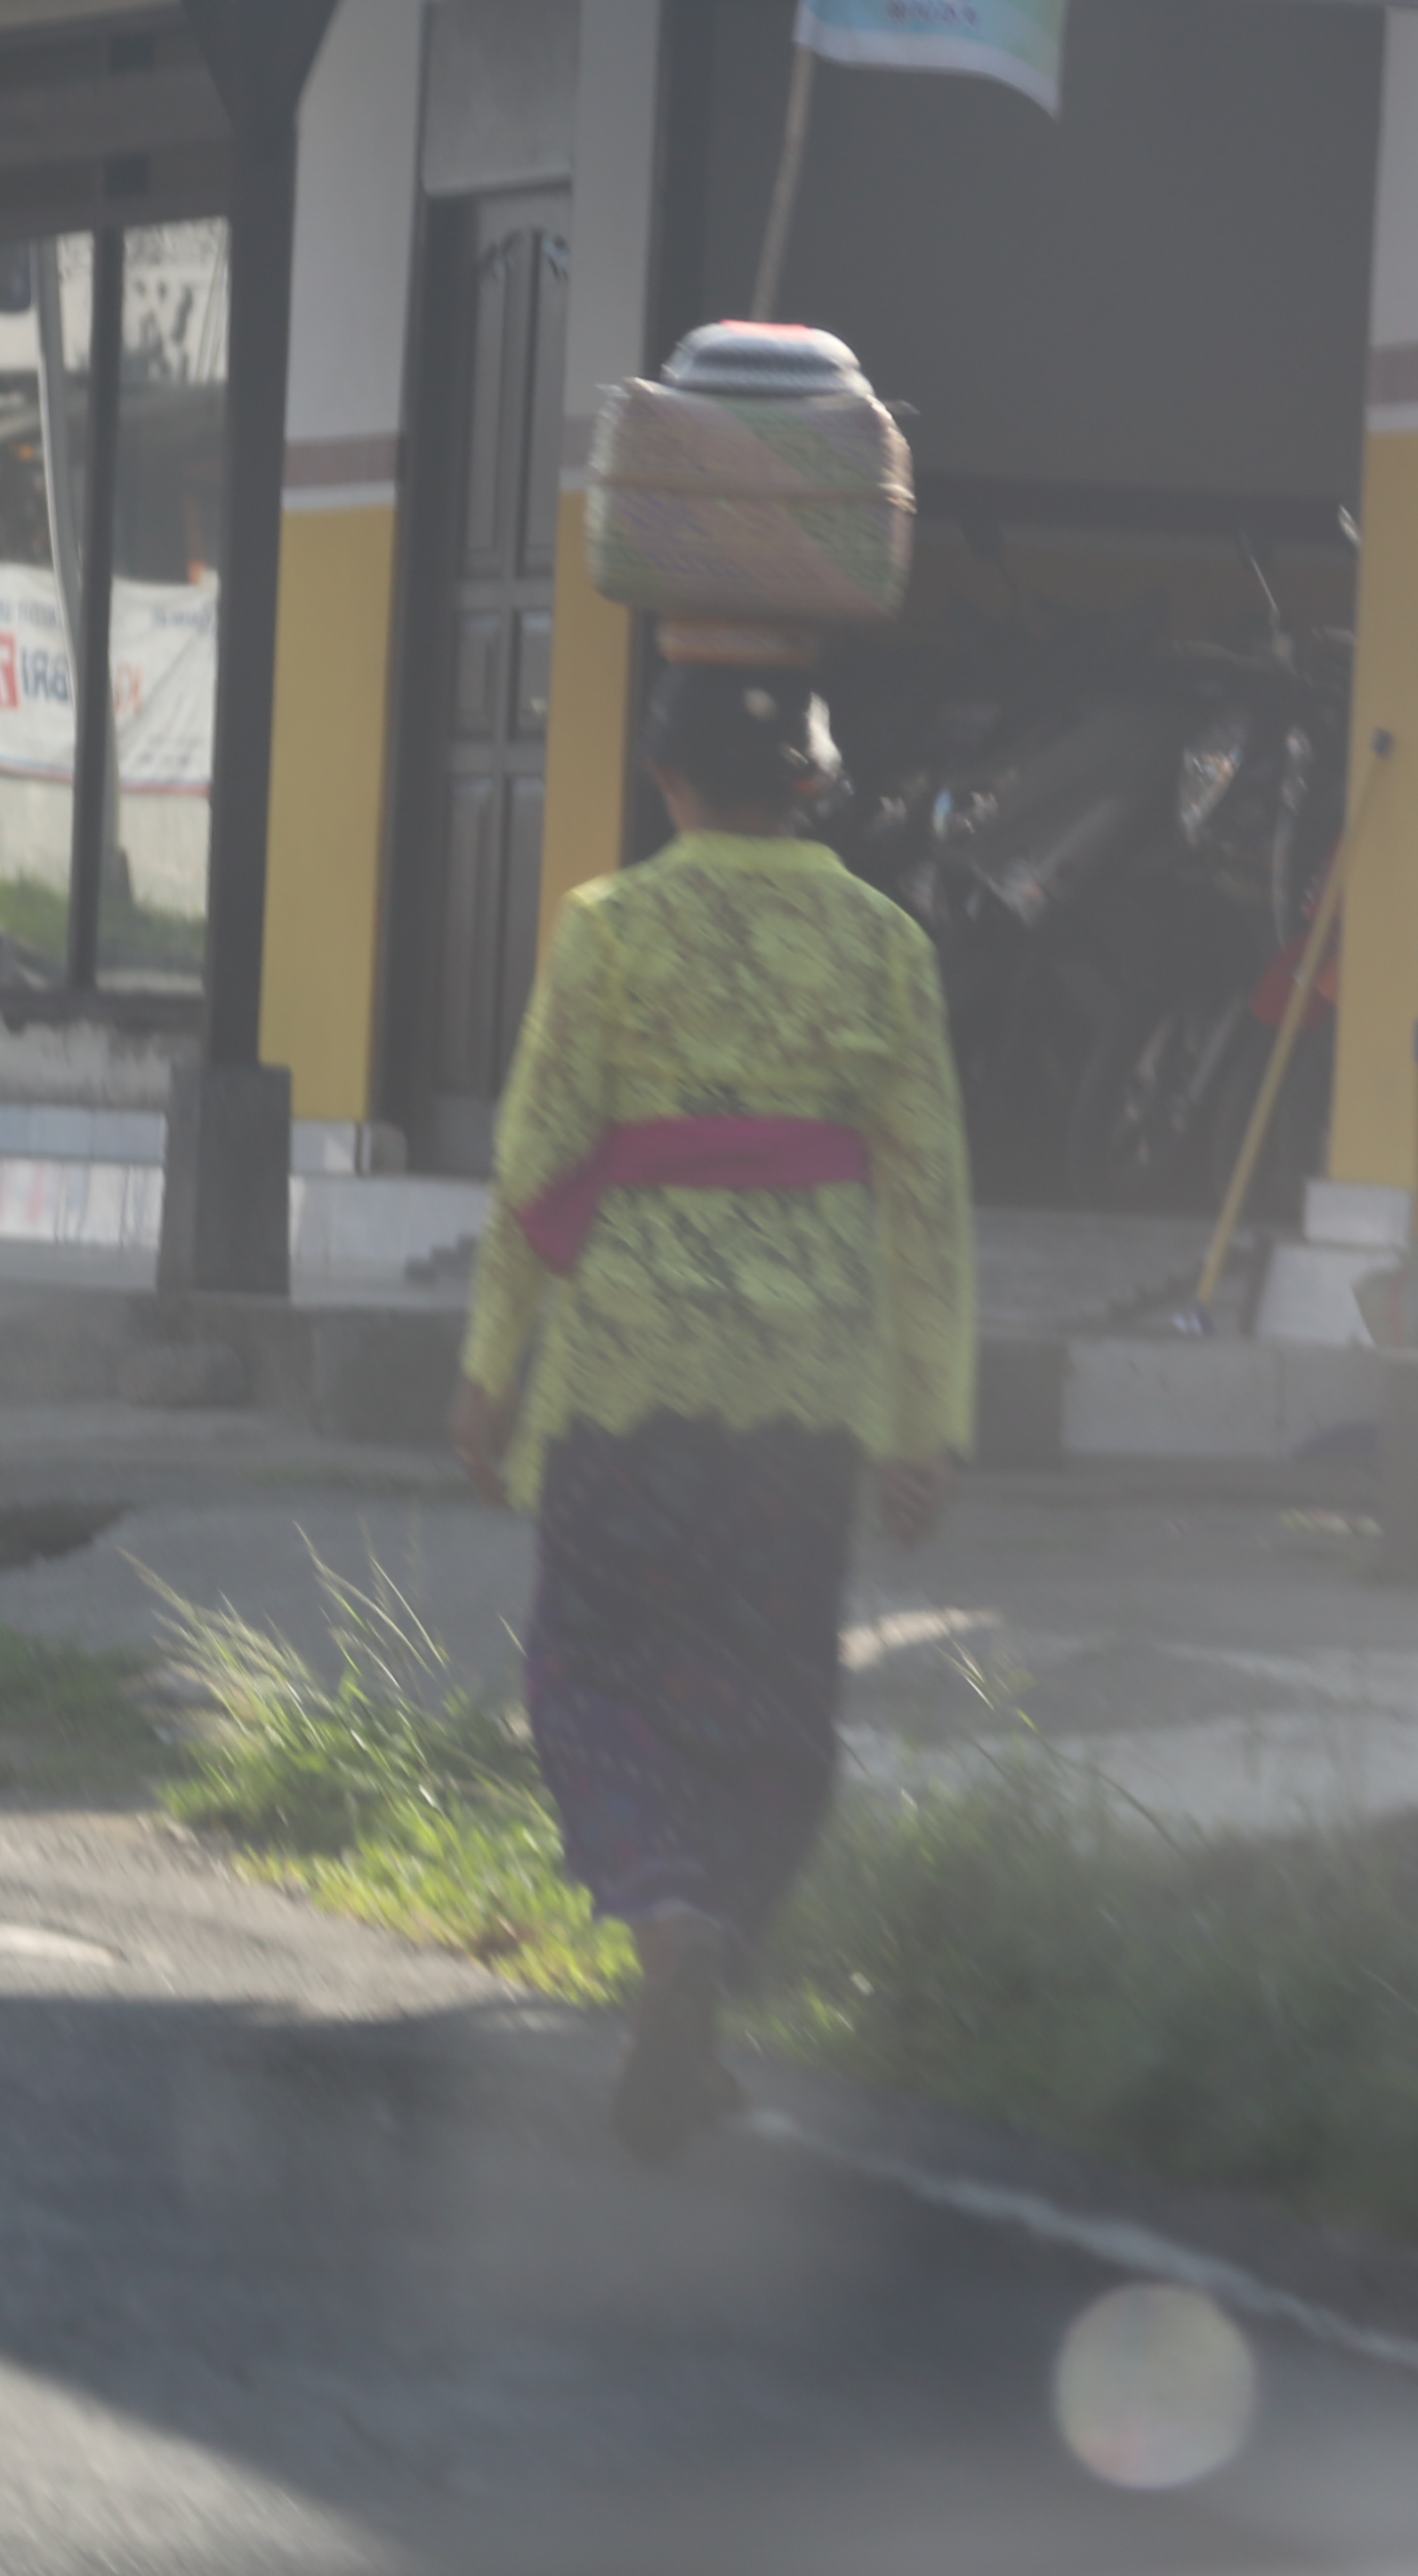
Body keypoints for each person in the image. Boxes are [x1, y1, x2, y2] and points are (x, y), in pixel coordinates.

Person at [451, 664, 977, 2158]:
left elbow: (538, 1165)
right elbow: (927, 1201)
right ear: (813, 787)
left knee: (594, 1666)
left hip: (629, 1370)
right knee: (773, 1699)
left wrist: (491, 1367)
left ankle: (666, 1917)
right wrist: (923, 1421)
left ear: (666, 783)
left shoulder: (609, 927)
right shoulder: (883, 944)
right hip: (804, 1384)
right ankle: (702, 1964)